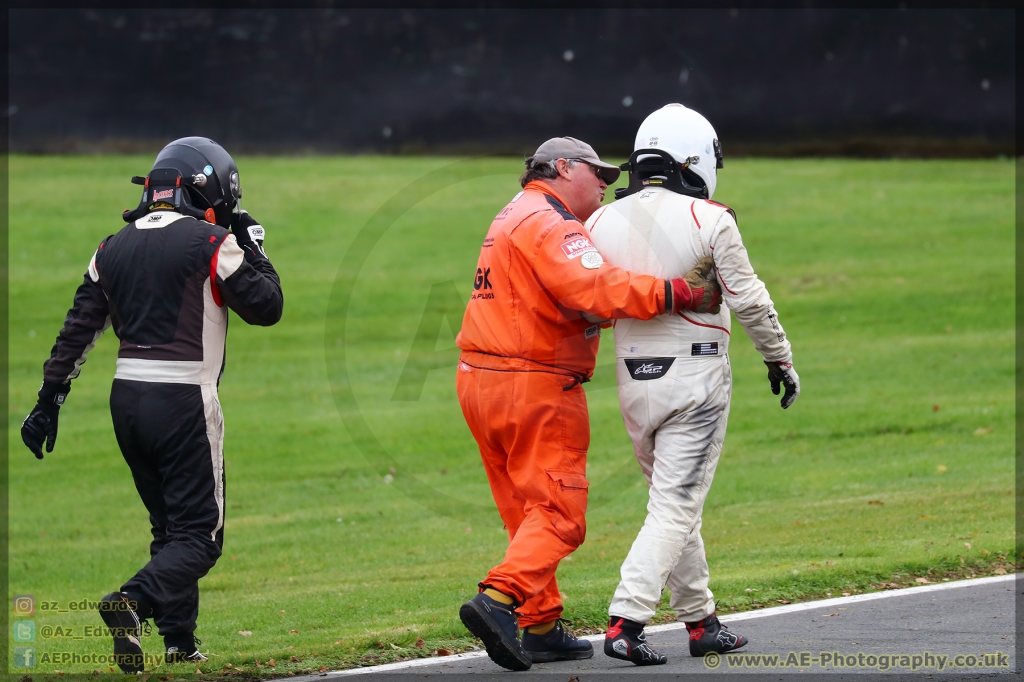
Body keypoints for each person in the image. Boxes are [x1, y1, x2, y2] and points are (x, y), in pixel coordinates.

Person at [454, 136, 723, 671]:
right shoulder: (550, 223)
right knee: (559, 513)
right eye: (596, 172)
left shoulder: (514, 214)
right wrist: (682, 293)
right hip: (532, 383)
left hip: (479, 379)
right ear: (561, 168)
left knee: (526, 508)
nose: (605, 182)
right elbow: (595, 291)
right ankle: (500, 599)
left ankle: (541, 625)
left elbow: (569, 301)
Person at [20, 137, 283, 673]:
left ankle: (179, 643)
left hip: (127, 400)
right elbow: (268, 306)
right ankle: (132, 603)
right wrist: (252, 244)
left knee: (169, 529)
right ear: (205, 188)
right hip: (184, 396)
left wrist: (49, 401)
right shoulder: (211, 241)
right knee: (200, 539)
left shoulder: (111, 245)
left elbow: (77, 332)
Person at [586, 104, 800, 666]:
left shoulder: (600, 222)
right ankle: (625, 620)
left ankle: (701, 621)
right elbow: (749, 299)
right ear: (696, 158)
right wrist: (779, 359)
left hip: (631, 377)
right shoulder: (711, 218)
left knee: (673, 504)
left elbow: (586, 300)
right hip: (696, 376)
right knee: (676, 507)